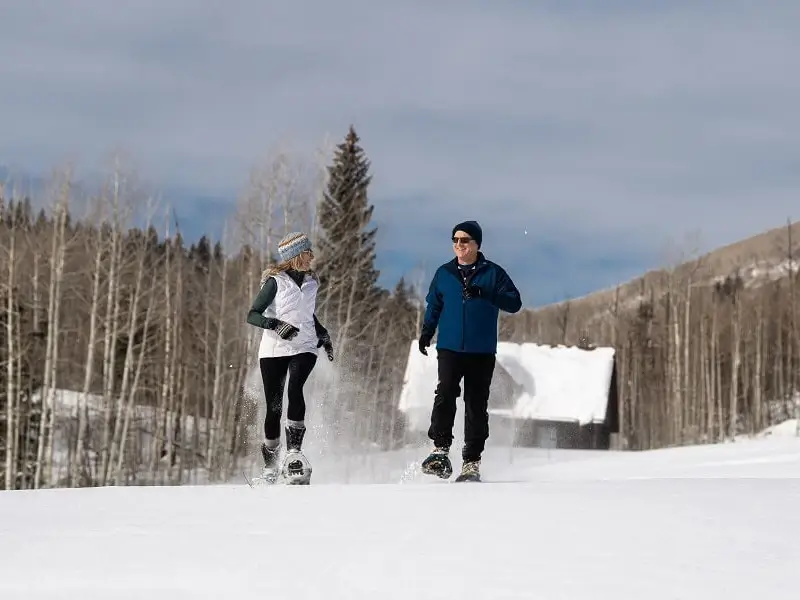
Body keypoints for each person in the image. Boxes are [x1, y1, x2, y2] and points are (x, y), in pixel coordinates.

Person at [418, 220, 522, 482]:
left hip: (481, 351)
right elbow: (433, 306)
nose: (459, 245)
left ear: (477, 244)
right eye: (455, 240)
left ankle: (471, 462)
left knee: (476, 406)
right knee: (445, 393)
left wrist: (486, 293)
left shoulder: (493, 273)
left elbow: (514, 302)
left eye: (465, 240)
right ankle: (440, 451)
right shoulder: (444, 273)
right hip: (450, 348)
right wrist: (426, 332)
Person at [245, 231, 334, 484]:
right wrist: (275, 325)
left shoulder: (312, 282)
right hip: (274, 350)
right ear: (296, 255)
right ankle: (271, 467)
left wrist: (323, 335)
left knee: (295, 388)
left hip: (305, 346)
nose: (312, 256)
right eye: (308, 252)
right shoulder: (275, 281)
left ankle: (294, 452)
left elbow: (308, 316)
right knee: (273, 407)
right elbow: (252, 314)